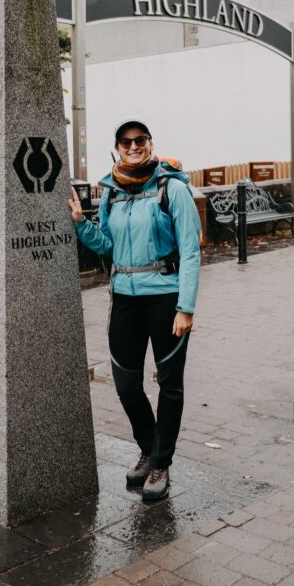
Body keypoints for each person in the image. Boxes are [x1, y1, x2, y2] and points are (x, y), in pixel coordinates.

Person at [69, 119, 201, 501]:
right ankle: (148, 446)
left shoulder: (171, 188)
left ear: (150, 143)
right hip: (125, 297)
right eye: (126, 142)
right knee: (126, 383)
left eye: (139, 140)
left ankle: (161, 463)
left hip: (165, 297)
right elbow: (107, 244)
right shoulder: (112, 191)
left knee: (169, 383)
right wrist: (81, 224)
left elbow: (191, 251)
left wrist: (186, 307)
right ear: (118, 147)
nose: (133, 146)